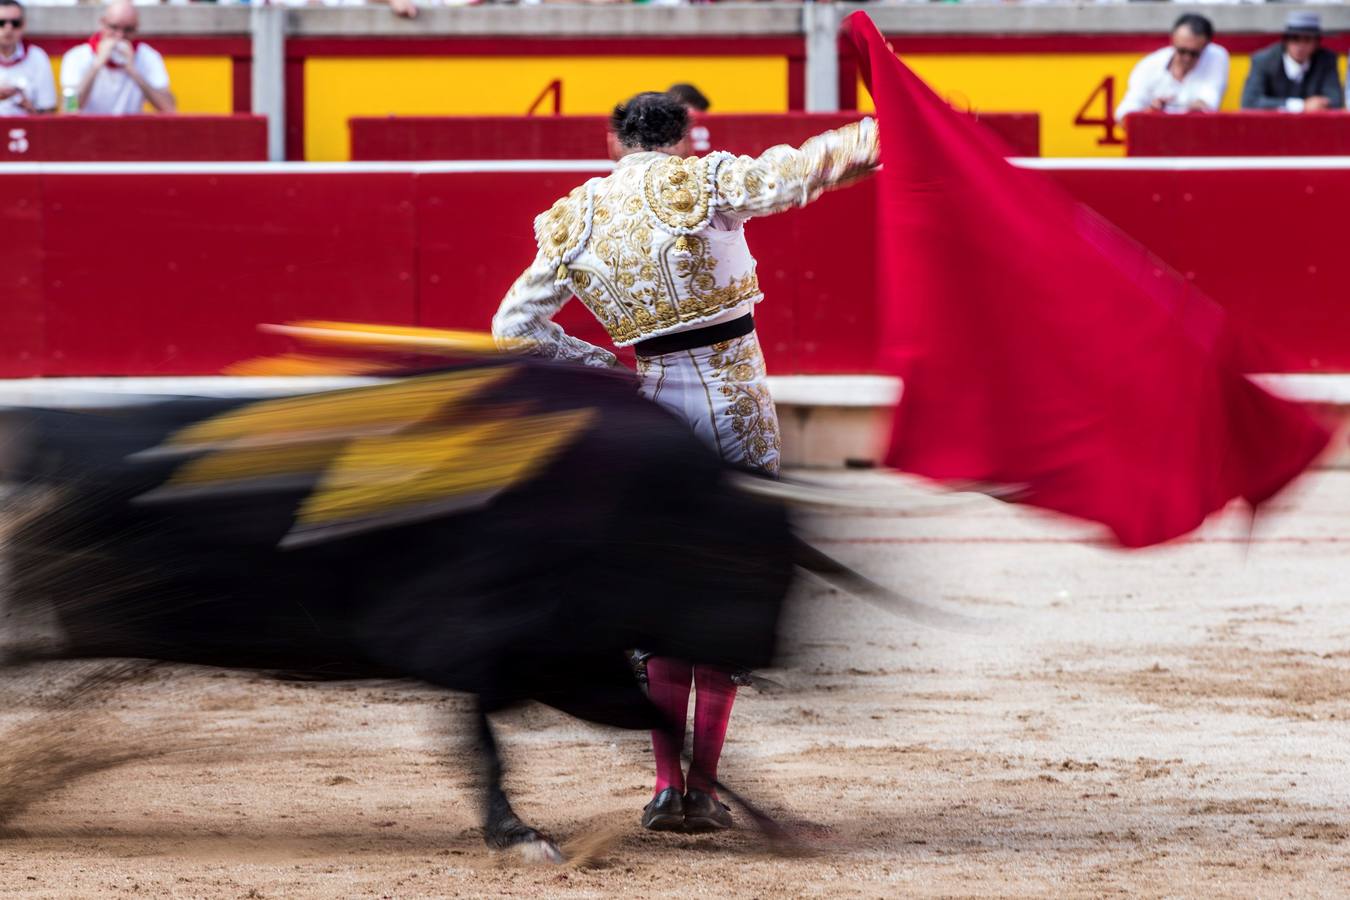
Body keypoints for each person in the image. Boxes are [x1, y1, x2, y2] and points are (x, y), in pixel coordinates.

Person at [492, 91, 878, 833]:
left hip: (654, 421)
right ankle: (701, 791)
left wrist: (600, 368)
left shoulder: (575, 217)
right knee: (729, 589)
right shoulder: (703, 182)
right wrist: (872, 136)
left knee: (663, 599)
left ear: (614, 140)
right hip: (737, 412)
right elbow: (794, 173)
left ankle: (669, 787)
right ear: (685, 136)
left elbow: (512, 329)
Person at [60, 0, 175, 115]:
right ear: (102, 23)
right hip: (88, 131)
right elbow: (68, 109)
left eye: (128, 29)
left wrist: (133, 70)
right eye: (114, 27)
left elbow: (169, 108)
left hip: (131, 130)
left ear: (136, 28)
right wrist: (96, 65)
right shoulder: (76, 57)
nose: (120, 35)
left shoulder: (148, 57)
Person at [1115, 14, 1229, 120]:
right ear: (1173, 41)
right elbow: (1123, 114)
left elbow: (1208, 103)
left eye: (1194, 53)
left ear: (1206, 47)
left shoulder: (1215, 56)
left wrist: (1171, 112)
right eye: (1182, 51)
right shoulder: (1149, 66)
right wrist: (1149, 113)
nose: (1187, 58)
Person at [1240, 12, 1343, 113]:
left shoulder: (1326, 60)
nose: (1300, 46)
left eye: (1307, 40)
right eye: (1295, 39)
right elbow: (1250, 102)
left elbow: (1336, 100)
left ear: (1316, 43)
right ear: (1285, 41)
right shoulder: (1264, 60)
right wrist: (1301, 105)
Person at [0, 0, 55, 116]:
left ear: (23, 25)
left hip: (28, 131)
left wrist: (28, 107)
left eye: (15, 23)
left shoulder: (37, 57)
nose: (8, 28)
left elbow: (48, 113)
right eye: (1, 23)